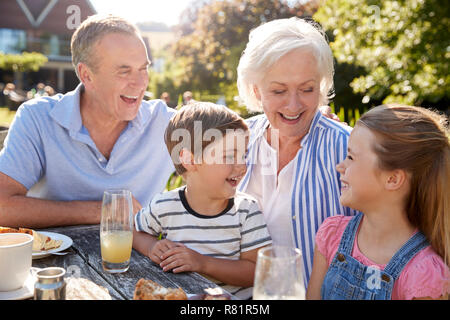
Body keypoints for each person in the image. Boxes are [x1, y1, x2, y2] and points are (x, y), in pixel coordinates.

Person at [0, 14, 175, 228]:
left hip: (140, 260)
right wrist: (102, 210)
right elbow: (3, 206)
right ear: (86, 75)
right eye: (124, 71)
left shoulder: (166, 123)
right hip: (54, 259)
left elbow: (224, 146)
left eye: (143, 69)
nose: (140, 84)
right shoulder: (37, 118)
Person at [236, 17, 358, 286]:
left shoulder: (348, 149)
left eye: (307, 89)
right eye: (279, 90)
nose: (293, 106)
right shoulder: (236, 141)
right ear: (256, 91)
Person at [306, 104, 450, 300]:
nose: (340, 166)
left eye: (351, 157)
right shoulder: (331, 235)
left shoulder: (423, 274)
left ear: (392, 179)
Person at [133, 102, 272, 299]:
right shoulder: (164, 207)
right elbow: (133, 232)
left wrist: (202, 263)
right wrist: (151, 247)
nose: (241, 166)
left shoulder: (246, 210)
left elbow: (257, 272)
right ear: (190, 160)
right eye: (229, 156)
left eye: (243, 155)